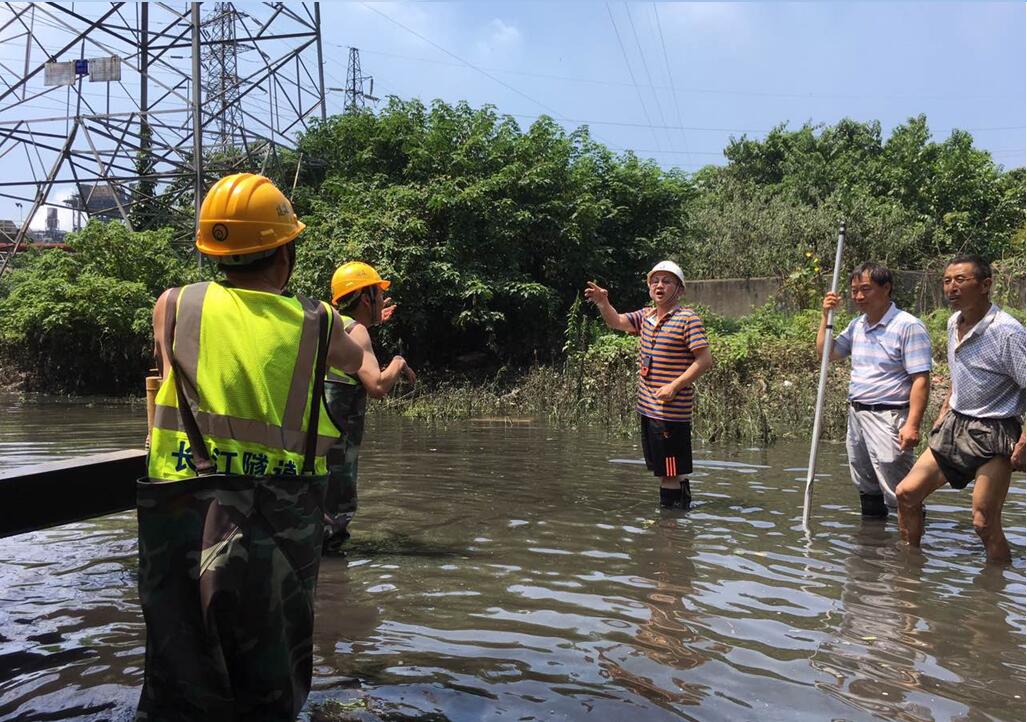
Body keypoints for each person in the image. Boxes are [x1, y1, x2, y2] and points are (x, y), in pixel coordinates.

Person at [137, 173, 363, 720]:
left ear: (215, 252)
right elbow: (356, 364)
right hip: (279, 520)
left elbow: (176, 370)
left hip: (180, 511)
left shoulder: (172, 306)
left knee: (178, 673)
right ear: (284, 254)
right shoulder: (317, 321)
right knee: (271, 682)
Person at [895, 255, 1025, 563]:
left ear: (985, 285)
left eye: (960, 280)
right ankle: (909, 568)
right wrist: (944, 410)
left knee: (983, 521)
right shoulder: (954, 322)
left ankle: (995, 589)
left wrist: (1024, 440)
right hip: (956, 424)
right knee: (906, 494)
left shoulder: (1008, 332)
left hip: (995, 430)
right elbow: (961, 371)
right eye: (946, 281)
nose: (951, 288)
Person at [584, 260, 713, 509]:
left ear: (680, 289)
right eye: (655, 281)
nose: (660, 285)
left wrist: (674, 386)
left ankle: (671, 527)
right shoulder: (646, 316)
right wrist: (603, 303)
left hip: (671, 415)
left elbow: (705, 360)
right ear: (649, 287)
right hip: (649, 411)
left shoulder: (688, 319)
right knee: (665, 470)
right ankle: (679, 517)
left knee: (670, 472)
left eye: (667, 281)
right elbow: (616, 322)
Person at [817, 262, 932, 519]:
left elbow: (921, 380)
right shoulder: (858, 326)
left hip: (889, 416)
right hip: (857, 414)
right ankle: (871, 546)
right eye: (854, 290)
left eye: (866, 289)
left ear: (886, 288)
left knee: (900, 490)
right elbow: (828, 353)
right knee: (866, 486)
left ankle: (911, 552)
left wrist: (912, 424)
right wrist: (826, 316)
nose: (858, 296)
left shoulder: (908, 326)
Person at [322, 261, 416, 554]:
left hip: (317, 443)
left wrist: (370, 321)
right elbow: (377, 386)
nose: (383, 299)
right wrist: (398, 362)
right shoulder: (358, 331)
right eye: (378, 293)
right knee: (334, 522)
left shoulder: (331, 324)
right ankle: (336, 589)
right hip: (339, 447)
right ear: (366, 298)